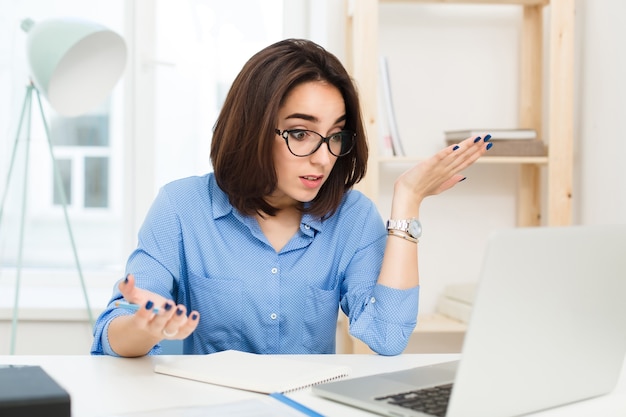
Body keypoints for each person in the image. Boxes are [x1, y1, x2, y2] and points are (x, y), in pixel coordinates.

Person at [91, 38, 491, 358]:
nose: (323, 157)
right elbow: (113, 333)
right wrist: (143, 328)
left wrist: (408, 200)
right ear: (251, 129)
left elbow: (388, 337)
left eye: (336, 136)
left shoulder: (352, 217)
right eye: (300, 133)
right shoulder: (181, 207)